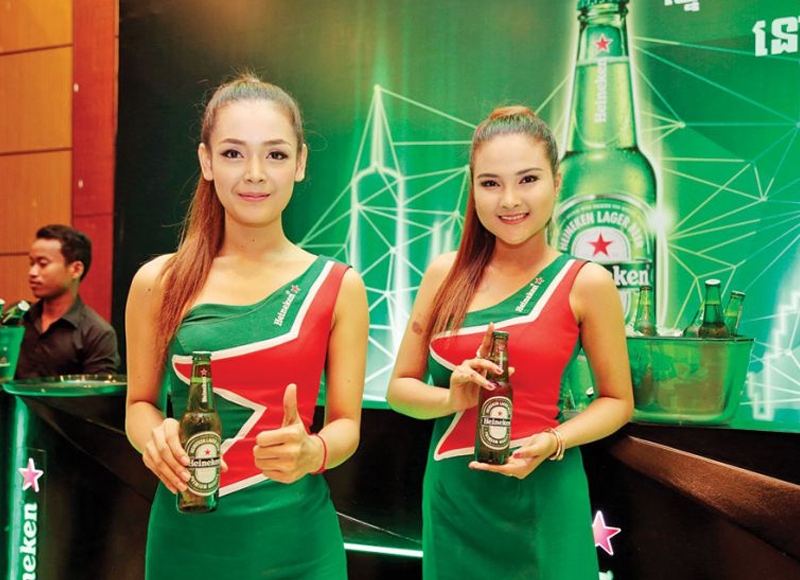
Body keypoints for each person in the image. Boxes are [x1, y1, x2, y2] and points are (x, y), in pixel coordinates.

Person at [124, 73, 369, 580]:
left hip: (301, 548)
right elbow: (138, 406)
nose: (255, 174)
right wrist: (157, 437)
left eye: (275, 154)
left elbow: (346, 425)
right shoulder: (158, 282)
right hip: (186, 546)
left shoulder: (338, 286)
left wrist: (315, 451)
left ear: (300, 163)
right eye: (233, 153)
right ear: (206, 162)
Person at [387, 106, 634, 579]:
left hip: (544, 500)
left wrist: (554, 440)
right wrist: (451, 397)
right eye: (491, 183)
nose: (509, 200)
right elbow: (400, 390)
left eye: (528, 179)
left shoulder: (587, 282)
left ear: (557, 182)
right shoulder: (444, 274)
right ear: (473, 187)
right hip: (454, 505)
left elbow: (617, 401)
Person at [15, 224, 120, 379]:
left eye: (43, 264)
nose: (32, 272)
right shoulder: (17, 318)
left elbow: (96, 393)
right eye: (32, 263)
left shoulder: (96, 333)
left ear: (76, 269)